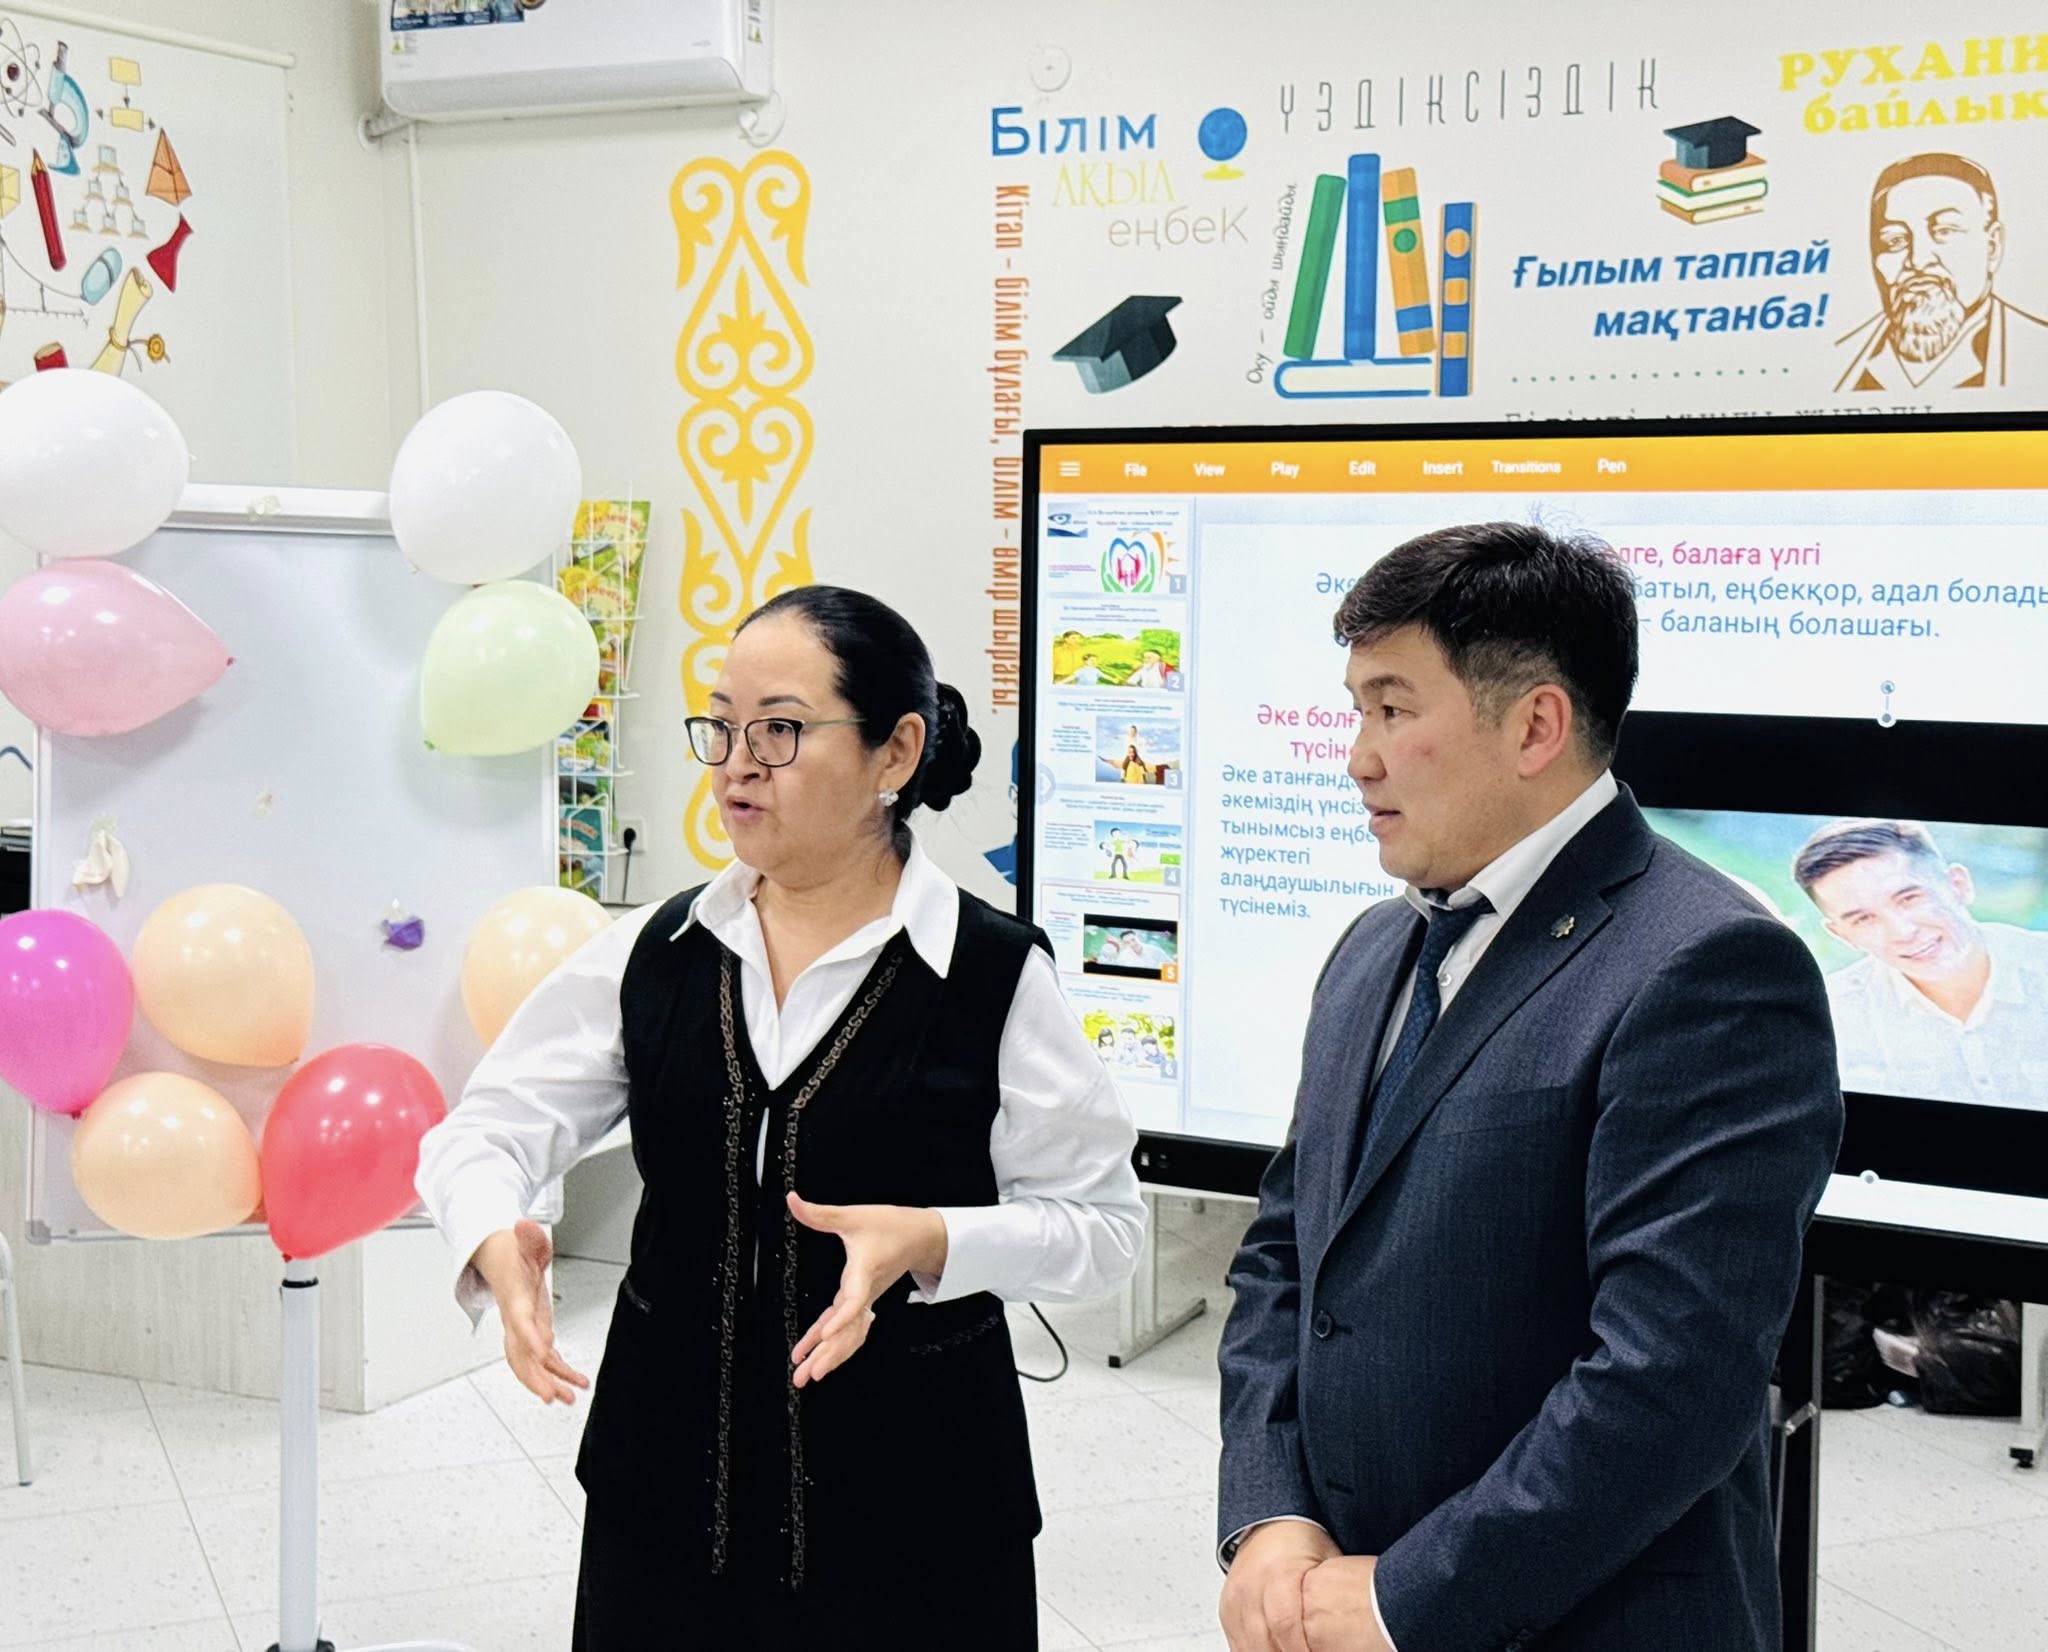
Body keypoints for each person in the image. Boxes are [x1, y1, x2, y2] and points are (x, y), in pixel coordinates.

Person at [416, 585, 1145, 1650]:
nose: (736, 765)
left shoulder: (990, 977)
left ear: (896, 752)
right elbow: (483, 1130)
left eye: (781, 730)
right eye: (721, 725)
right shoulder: (656, 953)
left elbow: (1105, 1226)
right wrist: (492, 1229)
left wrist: (936, 1239)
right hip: (666, 1506)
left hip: (915, 1523)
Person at [1217, 522, 1843, 1652]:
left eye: (1392, 709)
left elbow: (1669, 1380)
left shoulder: (1706, 966)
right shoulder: (1371, 950)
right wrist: (1269, 1514)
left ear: (1536, 725)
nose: (1357, 756)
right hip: (1334, 1593)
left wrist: (1408, 1597)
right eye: (1356, 710)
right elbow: (1284, 1255)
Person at [1792, 818, 2048, 1108]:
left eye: (1909, 898)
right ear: (1843, 935)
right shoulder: (1830, 1017)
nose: (1903, 932)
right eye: (1864, 919)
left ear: (1959, 885)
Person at [1835, 151, 2048, 392]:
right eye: (1895, 240)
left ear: (1992, 246)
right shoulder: (1835, 360)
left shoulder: (2038, 349)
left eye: (1944, 231)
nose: (1918, 260)